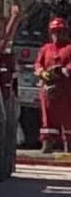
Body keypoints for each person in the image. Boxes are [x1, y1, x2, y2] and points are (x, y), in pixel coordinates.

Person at [36, 16, 71, 153]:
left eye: (60, 31)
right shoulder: (46, 49)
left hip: (66, 89)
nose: (57, 35)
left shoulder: (69, 48)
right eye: (54, 32)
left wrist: (62, 71)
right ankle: (47, 143)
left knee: (68, 116)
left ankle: (68, 145)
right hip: (48, 89)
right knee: (47, 116)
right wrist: (42, 73)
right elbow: (38, 63)